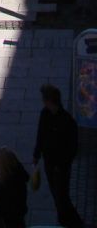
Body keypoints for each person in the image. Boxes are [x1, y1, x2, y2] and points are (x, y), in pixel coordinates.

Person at [32, 84, 83, 228]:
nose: (43, 102)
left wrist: (62, 166)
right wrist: (36, 154)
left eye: (44, 99)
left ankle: (72, 222)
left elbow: (72, 149)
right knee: (56, 195)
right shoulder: (45, 114)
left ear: (50, 101)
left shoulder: (67, 121)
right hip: (49, 163)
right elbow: (40, 135)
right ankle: (67, 220)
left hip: (61, 168)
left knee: (62, 196)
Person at [0, 147, 29, 228]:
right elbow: (26, 176)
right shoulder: (20, 172)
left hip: (6, 220)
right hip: (19, 215)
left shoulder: (4, 184)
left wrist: (0, 175)